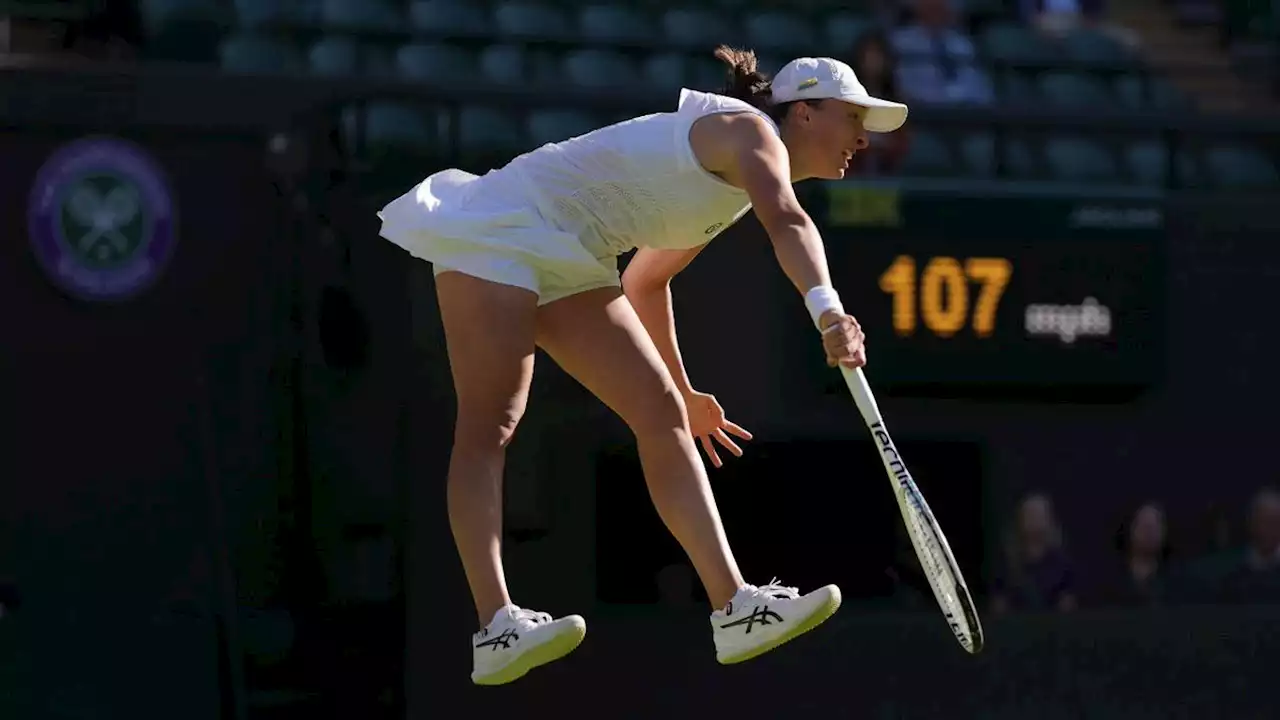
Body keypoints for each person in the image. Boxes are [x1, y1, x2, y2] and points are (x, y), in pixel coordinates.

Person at [377, 45, 908, 686]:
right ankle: (496, 626)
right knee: (493, 421)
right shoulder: (748, 134)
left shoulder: (731, 182)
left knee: (661, 412)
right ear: (803, 113)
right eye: (852, 118)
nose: (861, 138)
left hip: (570, 254)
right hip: (499, 224)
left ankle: (735, 609)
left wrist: (683, 388)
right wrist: (830, 313)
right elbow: (788, 221)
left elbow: (647, 282)